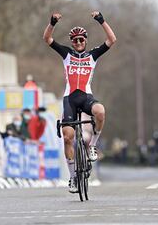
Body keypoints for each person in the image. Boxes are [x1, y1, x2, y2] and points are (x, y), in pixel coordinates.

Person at [43, 10, 116, 193]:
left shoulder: (93, 55)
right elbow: (47, 39)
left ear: (85, 40)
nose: (78, 43)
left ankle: (92, 146)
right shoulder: (67, 54)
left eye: (81, 39)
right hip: (70, 99)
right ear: (72, 43)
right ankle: (73, 178)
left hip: (85, 97)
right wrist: (52, 23)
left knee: (100, 111)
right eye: (75, 40)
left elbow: (112, 39)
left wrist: (101, 20)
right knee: (68, 137)